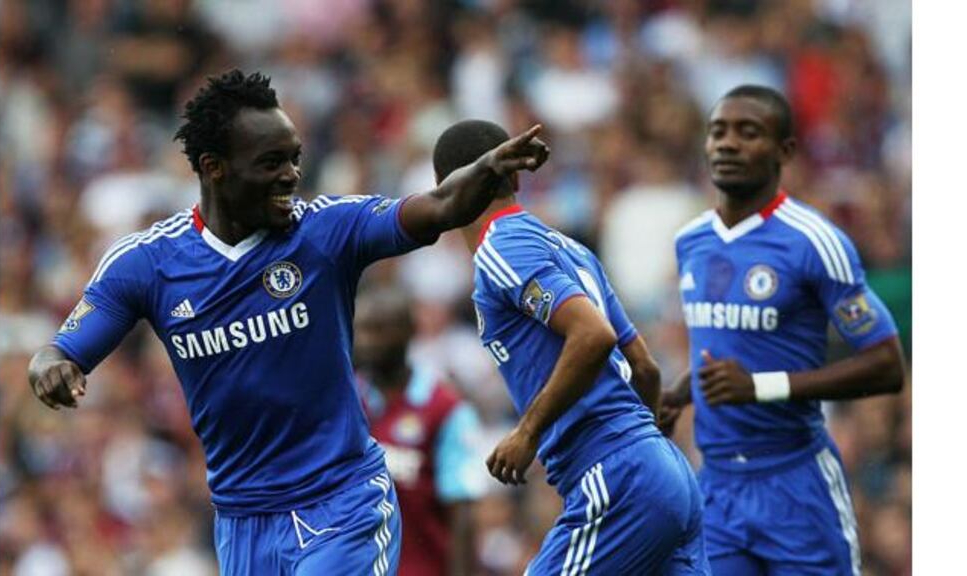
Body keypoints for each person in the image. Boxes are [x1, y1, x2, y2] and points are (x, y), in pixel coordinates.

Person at [26, 69, 550, 576]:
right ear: (214, 167)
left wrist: (488, 168)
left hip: (342, 504)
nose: (291, 175)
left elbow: (438, 206)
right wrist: (52, 366)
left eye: (295, 159)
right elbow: (63, 349)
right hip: (243, 523)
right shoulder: (147, 264)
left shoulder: (325, 232)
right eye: (271, 162)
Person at [434, 119, 711, 575]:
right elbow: (644, 368)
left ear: (446, 189)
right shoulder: (571, 248)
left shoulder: (500, 249)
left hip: (616, 476)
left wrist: (527, 432)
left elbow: (593, 335)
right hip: (663, 471)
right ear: (516, 178)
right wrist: (646, 449)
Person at [661, 85, 906, 576]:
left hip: (796, 480)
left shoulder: (814, 241)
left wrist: (760, 387)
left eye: (748, 132)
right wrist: (684, 391)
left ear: (785, 151)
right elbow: (729, 342)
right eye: (718, 132)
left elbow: (887, 365)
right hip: (718, 484)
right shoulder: (691, 240)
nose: (728, 144)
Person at [354, 286, 486, 576]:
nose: (365, 342)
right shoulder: (346, 401)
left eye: (377, 331)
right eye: (360, 330)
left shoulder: (445, 408)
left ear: (408, 332)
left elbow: (461, 510)